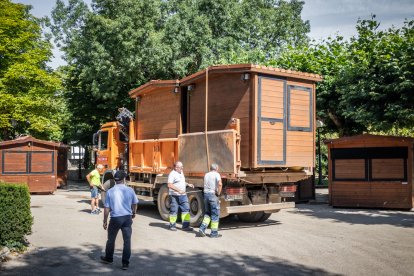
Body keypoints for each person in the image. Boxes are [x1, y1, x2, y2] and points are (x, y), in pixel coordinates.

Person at [101, 170, 138, 270]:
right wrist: (133, 212)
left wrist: (104, 221)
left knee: (111, 239)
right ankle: (125, 263)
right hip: (127, 218)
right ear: (123, 179)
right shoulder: (130, 190)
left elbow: (107, 208)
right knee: (127, 241)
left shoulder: (110, 191)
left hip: (115, 219)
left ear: (115, 180)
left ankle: (109, 258)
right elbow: (134, 203)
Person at [167, 161, 194, 231]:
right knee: (174, 211)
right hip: (174, 196)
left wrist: (188, 184)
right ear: (176, 168)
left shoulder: (181, 172)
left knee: (186, 209)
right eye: (181, 167)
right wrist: (178, 190)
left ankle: (185, 226)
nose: (182, 168)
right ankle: (172, 226)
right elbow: (169, 185)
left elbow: (181, 182)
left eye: (182, 166)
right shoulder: (172, 174)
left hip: (183, 195)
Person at [198, 163, 223, 238]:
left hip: (206, 195)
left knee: (207, 213)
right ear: (216, 168)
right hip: (212, 195)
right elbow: (220, 184)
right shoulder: (216, 174)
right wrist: (218, 193)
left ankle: (202, 228)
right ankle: (214, 233)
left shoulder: (206, 174)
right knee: (215, 214)